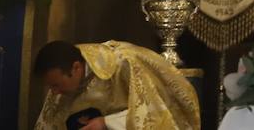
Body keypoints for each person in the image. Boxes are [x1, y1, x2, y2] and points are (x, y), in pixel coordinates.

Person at [33, 39, 199, 130]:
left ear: (76, 68)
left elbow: (155, 114)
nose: (54, 93)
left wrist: (106, 123)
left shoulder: (125, 64)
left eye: (55, 85)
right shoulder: (61, 77)